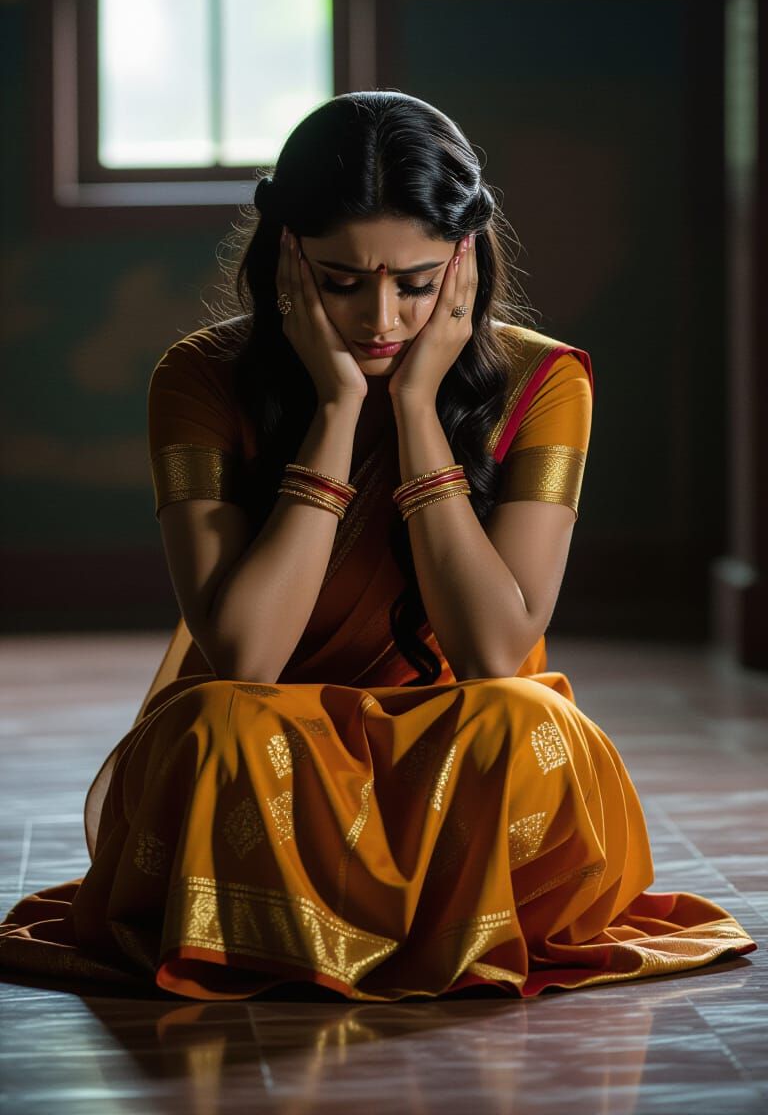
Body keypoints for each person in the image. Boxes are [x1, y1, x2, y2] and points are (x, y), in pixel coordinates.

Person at [0, 90, 755, 1001]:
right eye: (341, 282)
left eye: (416, 283)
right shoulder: (200, 377)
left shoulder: (544, 381)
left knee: (528, 720)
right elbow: (245, 656)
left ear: (464, 259)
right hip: (272, 755)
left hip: (454, 756)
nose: (381, 320)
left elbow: (493, 652)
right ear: (286, 259)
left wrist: (417, 414)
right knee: (216, 726)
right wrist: (334, 412)